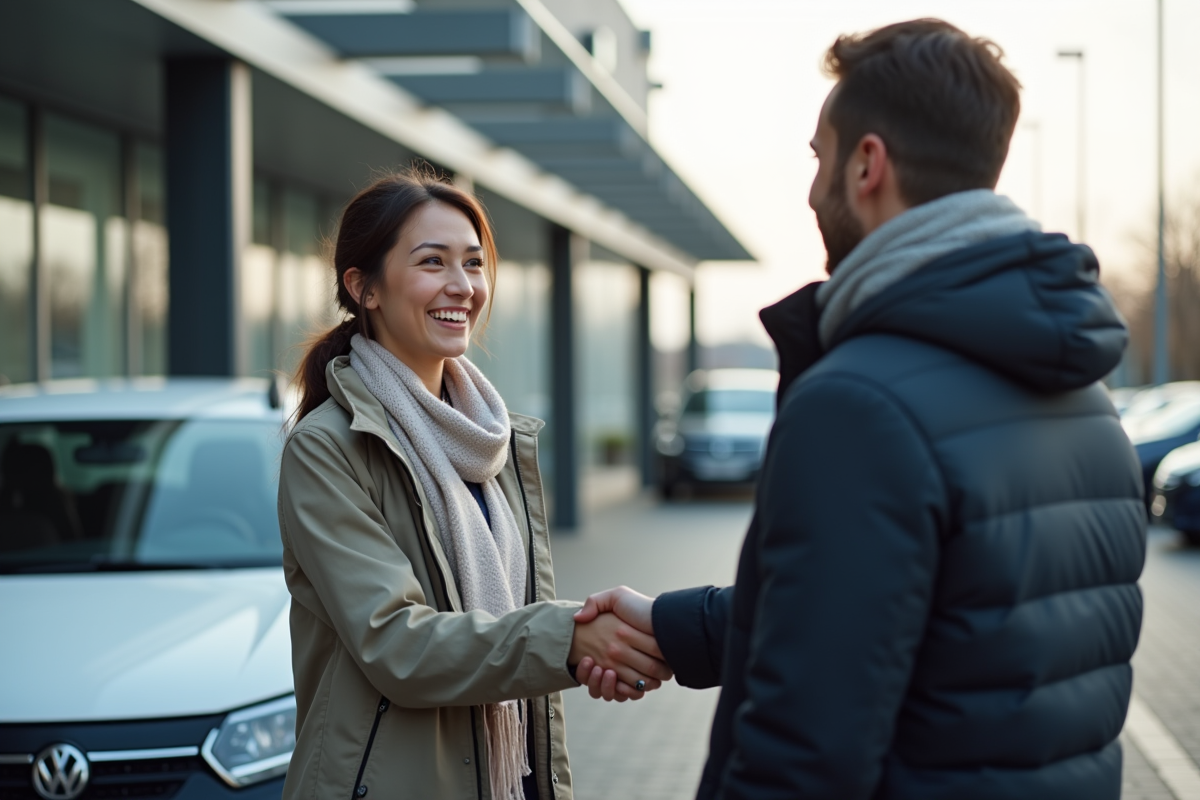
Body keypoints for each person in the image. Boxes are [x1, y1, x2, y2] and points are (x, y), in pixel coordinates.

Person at [575, 18, 1146, 800]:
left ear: (867, 163)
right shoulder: (1083, 393)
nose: (812, 190)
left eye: (820, 157)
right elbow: (939, 620)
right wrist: (682, 630)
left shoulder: (858, 405)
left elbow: (801, 757)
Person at [277, 170, 670, 800]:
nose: (462, 287)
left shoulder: (492, 442)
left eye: (474, 263)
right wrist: (570, 639)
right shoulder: (327, 448)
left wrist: (579, 648)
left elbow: (513, 628)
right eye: (433, 263)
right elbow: (395, 643)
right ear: (363, 287)